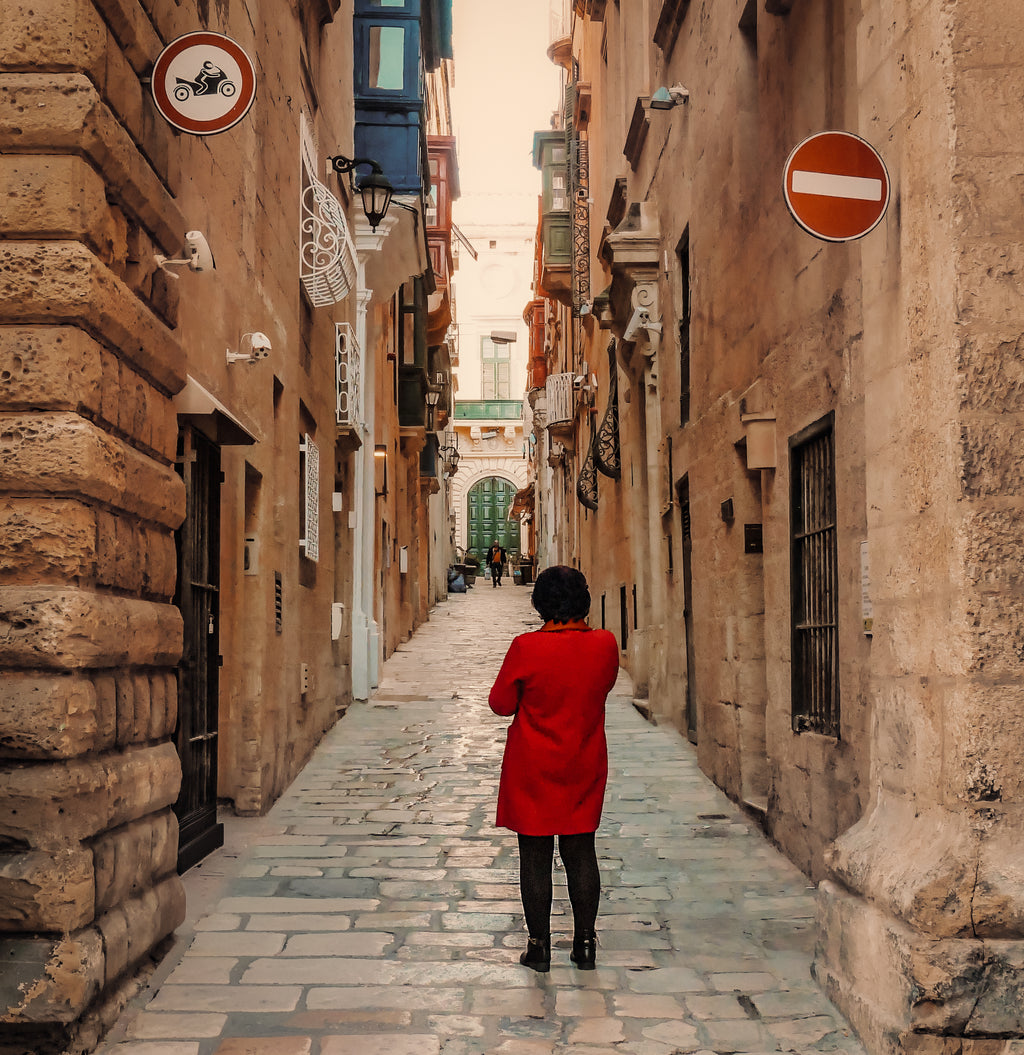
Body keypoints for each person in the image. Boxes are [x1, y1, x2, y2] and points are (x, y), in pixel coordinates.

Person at [488, 565, 620, 972]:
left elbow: (500, 703)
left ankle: (539, 947)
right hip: (582, 758)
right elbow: (604, 686)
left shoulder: (526, 648)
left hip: (533, 765)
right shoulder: (605, 645)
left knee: (535, 853)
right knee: (581, 851)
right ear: (583, 599)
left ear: (541, 602)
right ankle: (584, 945)